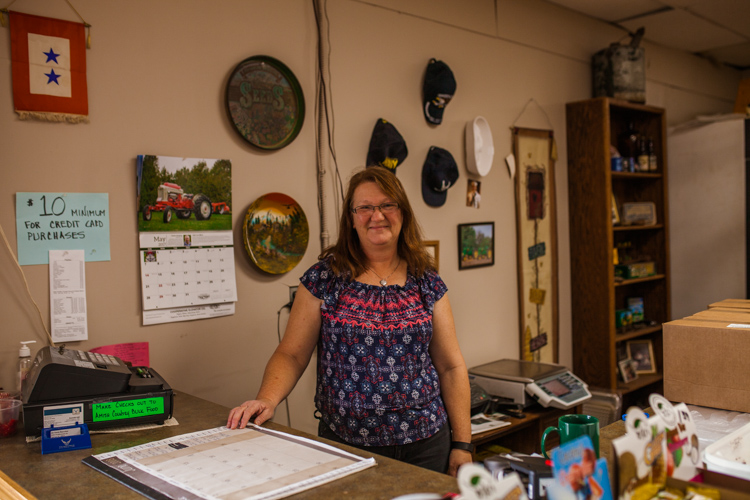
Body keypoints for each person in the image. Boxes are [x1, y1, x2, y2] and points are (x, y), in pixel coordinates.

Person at [227, 166, 472, 476]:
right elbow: (291, 353)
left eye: (387, 205)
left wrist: (463, 445)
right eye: (365, 207)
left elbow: (451, 367)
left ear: (403, 213)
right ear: (352, 218)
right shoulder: (324, 280)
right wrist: (266, 399)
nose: (377, 215)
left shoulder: (427, 282)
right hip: (347, 447)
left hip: (427, 445)